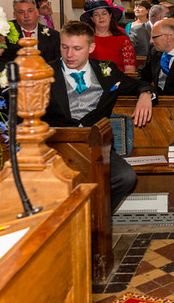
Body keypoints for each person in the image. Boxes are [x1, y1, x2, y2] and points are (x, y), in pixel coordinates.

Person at [43, 21, 155, 211]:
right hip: (57, 149)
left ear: (91, 47)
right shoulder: (44, 73)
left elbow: (138, 84)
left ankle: (97, 218)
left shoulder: (106, 70)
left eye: (77, 48)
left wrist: (146, 95)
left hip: (97, 147)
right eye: (64, 47)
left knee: (126, 177)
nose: (69, 55)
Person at [1, 0, 61, 69]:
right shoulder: (5, 33)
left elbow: (57, 63)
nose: (26, 15)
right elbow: (0, 62)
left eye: (30, 11)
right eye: (21, 12)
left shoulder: (53, 35)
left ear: (37, 12)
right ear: (14, 15)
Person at [81, 0, 137, 74]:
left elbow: (130, 69)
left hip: (118, 82)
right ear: (92, 19)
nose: (101, 17)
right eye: (96, 15)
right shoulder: (85, 39)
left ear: (110, 16)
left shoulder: (123, 39)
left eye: (104, 13)